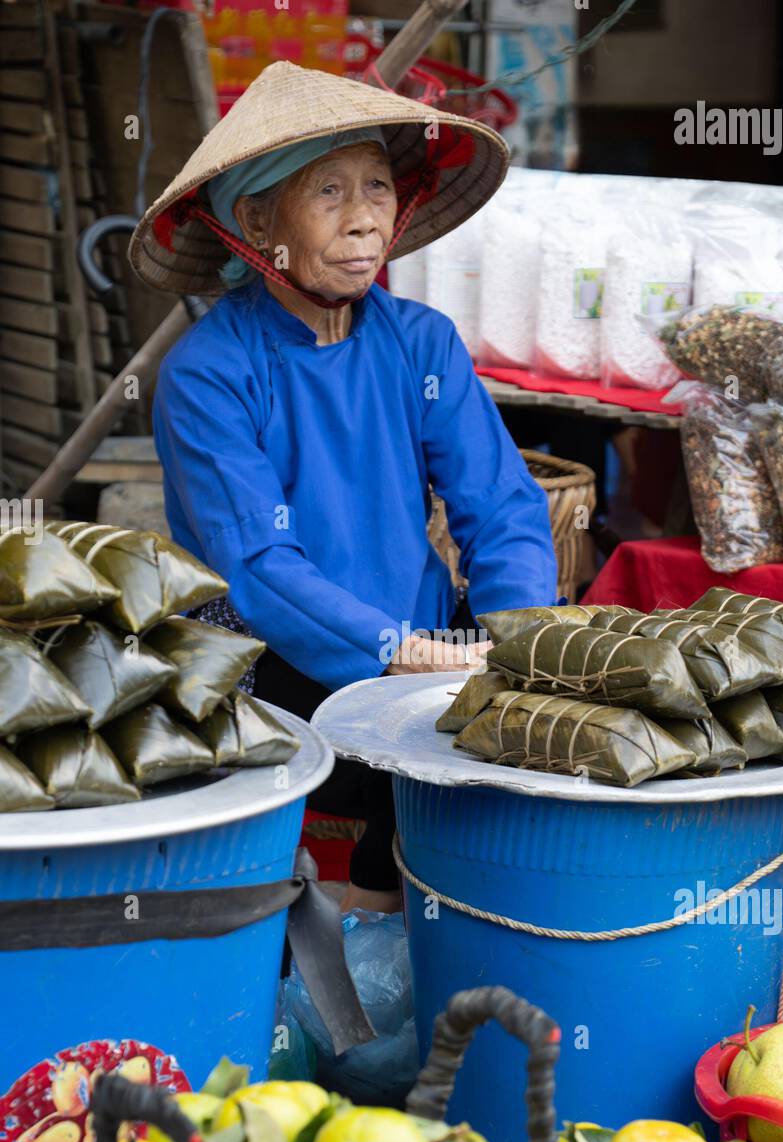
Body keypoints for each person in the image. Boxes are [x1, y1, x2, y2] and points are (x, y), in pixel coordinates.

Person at [132, 62, 557, 913]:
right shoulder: (208, 375)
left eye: (376, 186)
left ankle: (392, 911)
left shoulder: (420, 343)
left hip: (425, 644)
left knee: (445, 856)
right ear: (257, 221)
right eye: (329, 191)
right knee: (315, 886)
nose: (367, 217)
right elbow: (258, 565)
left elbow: (501, 505)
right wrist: (398, 651)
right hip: (277, 660)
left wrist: (523, 639)